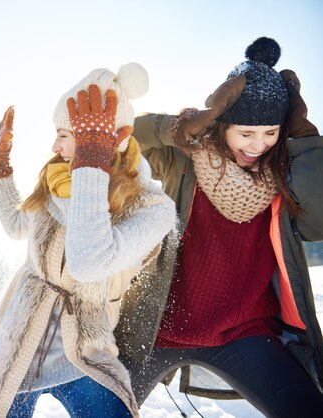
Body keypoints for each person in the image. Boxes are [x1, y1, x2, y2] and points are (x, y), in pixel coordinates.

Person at [117, 37, 323, 418]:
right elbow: (121, 138)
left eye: (271, 133)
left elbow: (320, 221)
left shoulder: (283, 176)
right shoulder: (184, 158)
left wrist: (305, 139)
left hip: (243, 331)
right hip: (155, 330)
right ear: (222, 123)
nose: (258, 145)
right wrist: (176, 128)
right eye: (246, 133)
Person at [0, 65, 177, 418]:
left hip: (82, 347)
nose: (54, 146)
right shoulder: (56, 180)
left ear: (112, 138)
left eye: (65, 134)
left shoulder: (151, 208)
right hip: (21, 340)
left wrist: (90, 168)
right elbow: (16, 225)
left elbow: (88, 261)